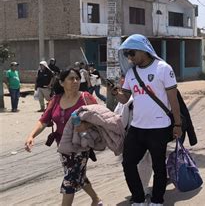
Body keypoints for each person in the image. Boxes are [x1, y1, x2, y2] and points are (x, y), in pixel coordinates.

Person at [112, 34, 182, 206]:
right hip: (137, 127)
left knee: (159, 167)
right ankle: (138, 199)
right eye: (127, 54)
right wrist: (115, 92)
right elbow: (125, 98)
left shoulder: (163, 68)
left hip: (159, 127)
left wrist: (178, 124)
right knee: (128, 163)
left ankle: (157, 200)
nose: (129, 57)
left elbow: (174, 100)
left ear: (143, 50)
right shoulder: (131, 73)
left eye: (132, 53)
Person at [24, 68, 102, 206]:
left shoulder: (86, 97)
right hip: (63, 145)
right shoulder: (56, 100)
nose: (75, 81)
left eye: (77, 78)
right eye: (71, 79)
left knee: (69, 179)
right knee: (78, 175)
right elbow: (44, 120)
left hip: (81, 145)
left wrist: (86, 126)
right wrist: (31, 135)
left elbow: (101, 118)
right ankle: (96, 200)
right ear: (61, 82)